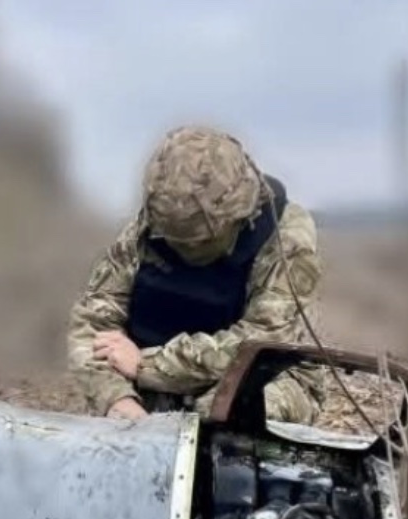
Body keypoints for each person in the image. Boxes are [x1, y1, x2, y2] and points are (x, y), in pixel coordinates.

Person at [66, 125, 328, 423]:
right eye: (173, 238)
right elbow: (94, 321)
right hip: (156, 379)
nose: (185, 250)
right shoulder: (150, 226)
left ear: (237, 218)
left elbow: (265, 341)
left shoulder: (286, 239)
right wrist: (116, 399)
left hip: (263, 379)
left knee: (223, 423)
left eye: (200, 240)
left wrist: (147, 365)